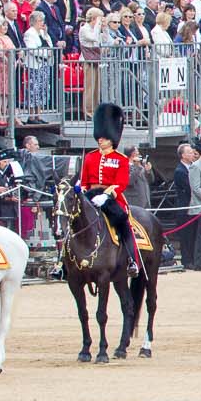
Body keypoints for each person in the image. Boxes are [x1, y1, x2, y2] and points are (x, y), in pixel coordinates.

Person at [80, 102, 135, 281]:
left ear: (112, 138)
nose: (100, 140)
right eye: (100, 137)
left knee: (122, 222)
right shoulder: (90, 157)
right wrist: (81, 191)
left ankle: (131, 260)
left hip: (110, 197)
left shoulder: (121, 159)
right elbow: (85, 180)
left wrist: (106, 195)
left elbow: (121, 183)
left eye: (104, 137)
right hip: (90, 195)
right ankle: (63, 263)